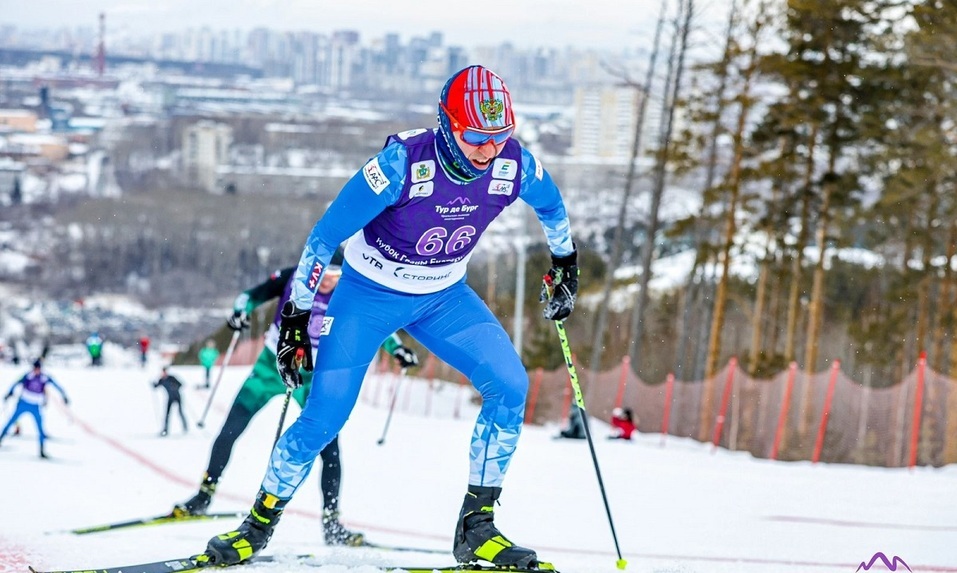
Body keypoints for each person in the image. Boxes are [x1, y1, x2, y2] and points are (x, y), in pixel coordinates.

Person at [203, 65, 578, 569]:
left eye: (500, 136)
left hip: (444, 298)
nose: (489, 151)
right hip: (367, 297)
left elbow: (552, 208)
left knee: (510, 385)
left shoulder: (515, 165)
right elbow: (323, 237)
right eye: (475, 138)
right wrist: (295, 317)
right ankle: (257, 525)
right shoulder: (400, 164)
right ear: (447, 125)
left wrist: (565, 263)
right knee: (325, 415)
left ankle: (477, 529)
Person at [173, 259, 418, 547]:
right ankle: (204, 494)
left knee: (329, 447)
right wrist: (240, 312)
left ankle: (331, 523)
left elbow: (375, 324)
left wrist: (398, 348)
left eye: (336, 274)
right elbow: (250, 296)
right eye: (325, 272)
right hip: (271, 367)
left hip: (313, 374)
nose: (328, 280)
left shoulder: (348, 291)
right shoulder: (295, 278)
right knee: (232, 427)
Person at [0, 359, 70, 459]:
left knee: (40, 428)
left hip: (35, 405)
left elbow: (57, 386)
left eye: (38, 368)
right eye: (35, 368)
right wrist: (9, 393)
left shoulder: (44, 377)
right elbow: (15, 383)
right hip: (23, 403)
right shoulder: (27, 376)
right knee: (11, 421)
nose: (36, 370)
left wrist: (64, 395)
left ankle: (42, 451)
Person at [153, 366, 187, 437]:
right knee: (167, 414)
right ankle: (165, 429)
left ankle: (185, 427)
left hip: (177, 396)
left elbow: (181, 384)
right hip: (170, 398)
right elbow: (156, 386)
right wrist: (153, 384)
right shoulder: (161, 380)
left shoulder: (171, 378)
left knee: (180, 412)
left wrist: (175, 386)